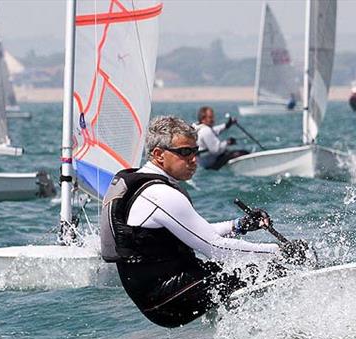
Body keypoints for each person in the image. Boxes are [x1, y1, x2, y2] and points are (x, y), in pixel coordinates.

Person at [100, 116, 308, 328]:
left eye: (195, 151)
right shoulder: (159, 194)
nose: (193, 159)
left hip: (166, 292)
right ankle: (290, 328)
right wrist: (280, 253)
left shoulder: (150, 187)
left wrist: (237, 225)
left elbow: (195, 233)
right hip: (165, 300)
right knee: (266, 268)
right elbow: (215, 248)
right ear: (159, 155)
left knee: (246, 267)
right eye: (184, 152)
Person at [194, 106, 249, 170]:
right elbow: (216, 150)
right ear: (203, 119)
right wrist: (228, 142)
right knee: (243, 153)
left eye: (213, 117)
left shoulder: (199, 128)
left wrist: (227, 125)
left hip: (202, 162)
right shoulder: (206, 131)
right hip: (210, 163)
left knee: (228, 152)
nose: (213, 120)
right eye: (210, 117)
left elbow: (214, 130)